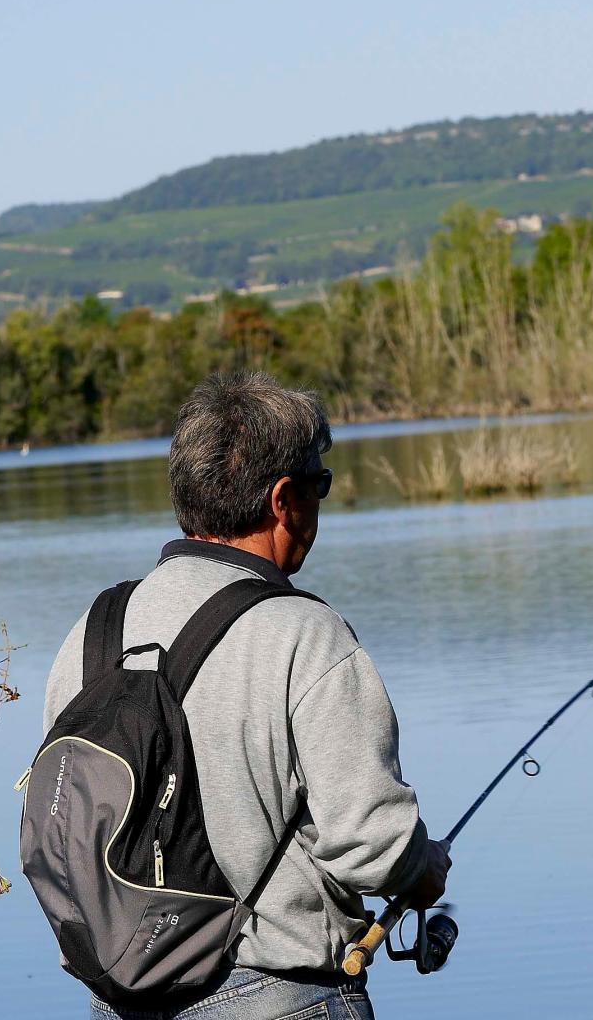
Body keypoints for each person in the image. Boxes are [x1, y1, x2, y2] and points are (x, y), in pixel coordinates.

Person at [42, 371, 450, 1020]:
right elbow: (372, 844)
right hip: (280, 997)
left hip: (117, 1002)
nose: (321, 504)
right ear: (284, 498)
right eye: (321, 485)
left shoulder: (93, 631)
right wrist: (421, 866)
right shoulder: (306, 634)